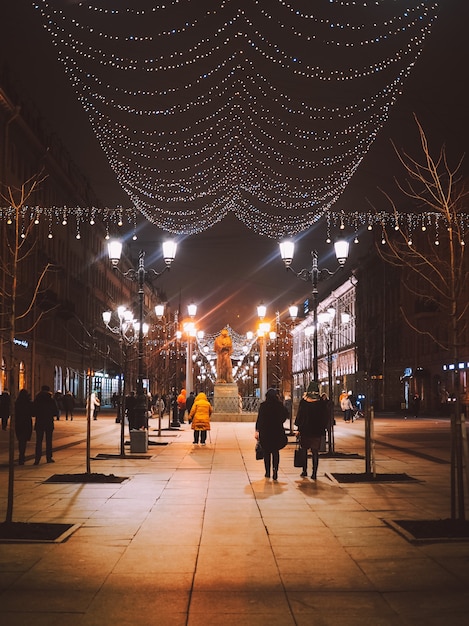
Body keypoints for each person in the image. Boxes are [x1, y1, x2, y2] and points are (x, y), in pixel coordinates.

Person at [295, 381, 329, 480]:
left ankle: (304, 470)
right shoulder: (321, 403)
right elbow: (325, 417)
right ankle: (314, 473)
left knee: (304, 451)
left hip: (305, 430)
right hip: (316, 431)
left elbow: (300, 416)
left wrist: (298, 428)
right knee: (315, 452)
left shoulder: (304, 402)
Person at [255, 388, 289, 480]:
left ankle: (267, 472)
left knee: (266, 452)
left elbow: (260, 419)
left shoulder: (263, 406)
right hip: (276, 431)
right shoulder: (279, 406)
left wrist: (257, 430)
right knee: (275, 452)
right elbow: (285, 415)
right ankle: (275, 470)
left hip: (266, 432)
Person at [33, 385, 59, 464]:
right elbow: (56, 411)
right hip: (48, 422)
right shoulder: (51, 399)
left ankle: (37, 459)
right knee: (49, 441)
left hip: (40, 421)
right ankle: (49, 457)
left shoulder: (37, 399)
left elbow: (33, 411)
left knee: (38, 441)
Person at [15, 389, 33, 465]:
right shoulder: (28, 402)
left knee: (21, 440)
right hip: (26, 423)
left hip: (19, 423)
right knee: (24, 440)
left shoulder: (17, 402)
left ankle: (21, 455)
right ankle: (22, 456)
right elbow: (32, 412)